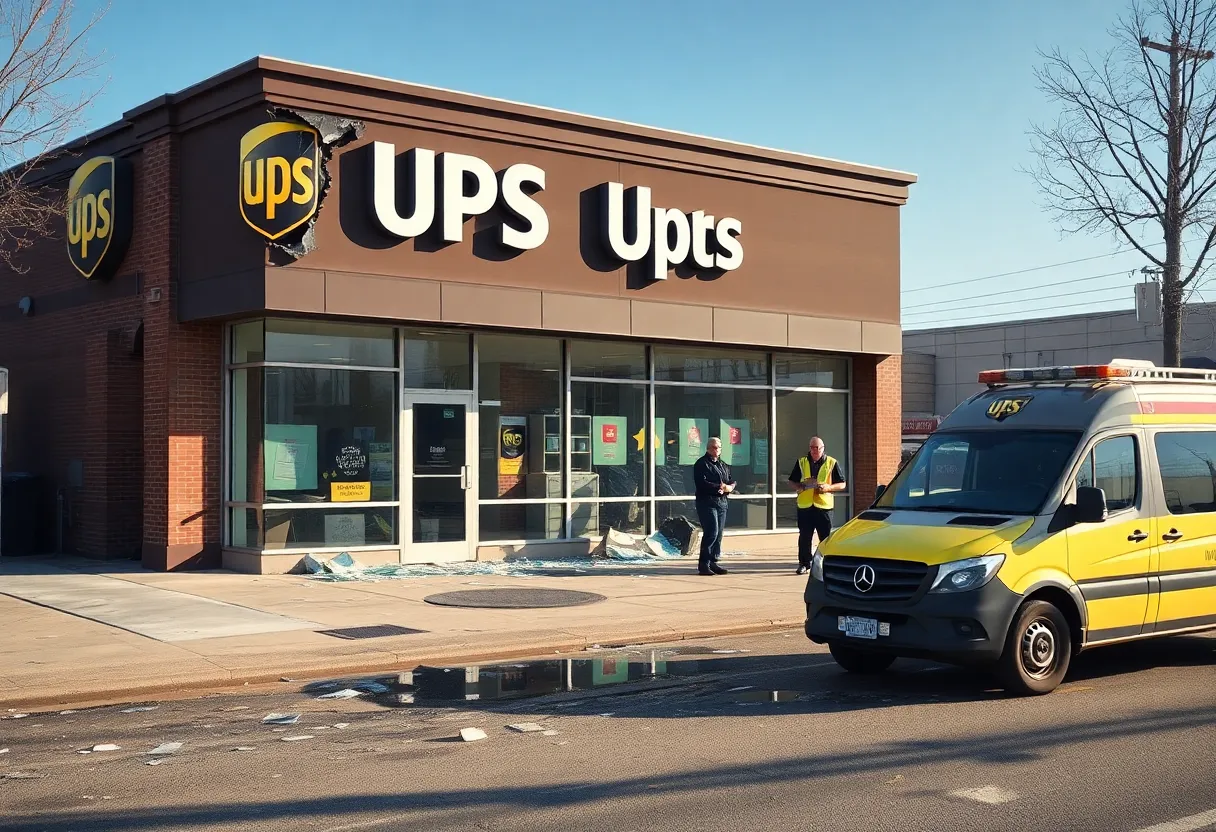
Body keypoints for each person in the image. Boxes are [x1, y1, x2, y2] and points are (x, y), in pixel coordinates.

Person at [788, 436, 846, 575]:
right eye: (812, 448)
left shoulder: (832, 462)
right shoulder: (802, 462)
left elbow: (842, 484)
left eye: (817, 448)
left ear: (823, 448)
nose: (814, 451)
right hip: (805, 506)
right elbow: (791, 481)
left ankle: (827, 564)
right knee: (804, 537)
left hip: (823, 507)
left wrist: (828, 487)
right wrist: (799, 486)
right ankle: (804, 564)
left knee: (825, 537)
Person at [693, 436, 735, 575]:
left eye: (719, 447)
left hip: (722, 503)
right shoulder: (702, 464)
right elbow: (701, 483)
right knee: (712, 532)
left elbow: (730, 479)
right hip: (707, 502)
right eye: (714, 447)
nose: (717, 450)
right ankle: (703, 564)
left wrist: (730, 487)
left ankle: (713, 561)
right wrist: (720, 487)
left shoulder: (722, 465)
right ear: (708, 448)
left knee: (719, 534)